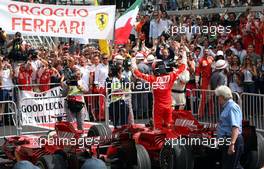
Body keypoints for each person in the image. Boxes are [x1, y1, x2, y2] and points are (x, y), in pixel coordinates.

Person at [132, 59, 186, 129]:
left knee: (158, 126)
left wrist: (133, 62)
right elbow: (182, 69)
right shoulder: (171, 76)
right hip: (169, 106)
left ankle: (160, 138)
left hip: (158, 108)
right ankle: (170, 139)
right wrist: (183, 58)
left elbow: (138, 74)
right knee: (169, 125)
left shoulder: (153, 79)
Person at [215, 85, 244, 169]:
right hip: (227, 140)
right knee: (231, 165)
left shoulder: (232, 107)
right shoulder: (227, 107)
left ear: (222, 97)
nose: (218, 99)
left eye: (218, 97)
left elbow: (235, 127)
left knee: (231, 166)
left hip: (232, 140)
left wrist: (232, 144)